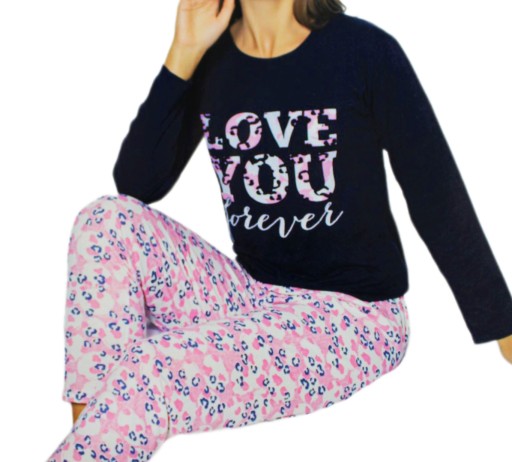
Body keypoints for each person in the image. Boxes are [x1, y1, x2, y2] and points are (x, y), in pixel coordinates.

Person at [47, 0, 512, 460]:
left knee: (152, 368)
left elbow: (435, 193)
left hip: (355, 317)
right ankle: (95, 443)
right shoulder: (212, 59)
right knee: (105, 220)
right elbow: (137, 184)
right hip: (250, 294)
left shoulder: (365, 52)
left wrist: (502, 324)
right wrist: (184, 51)